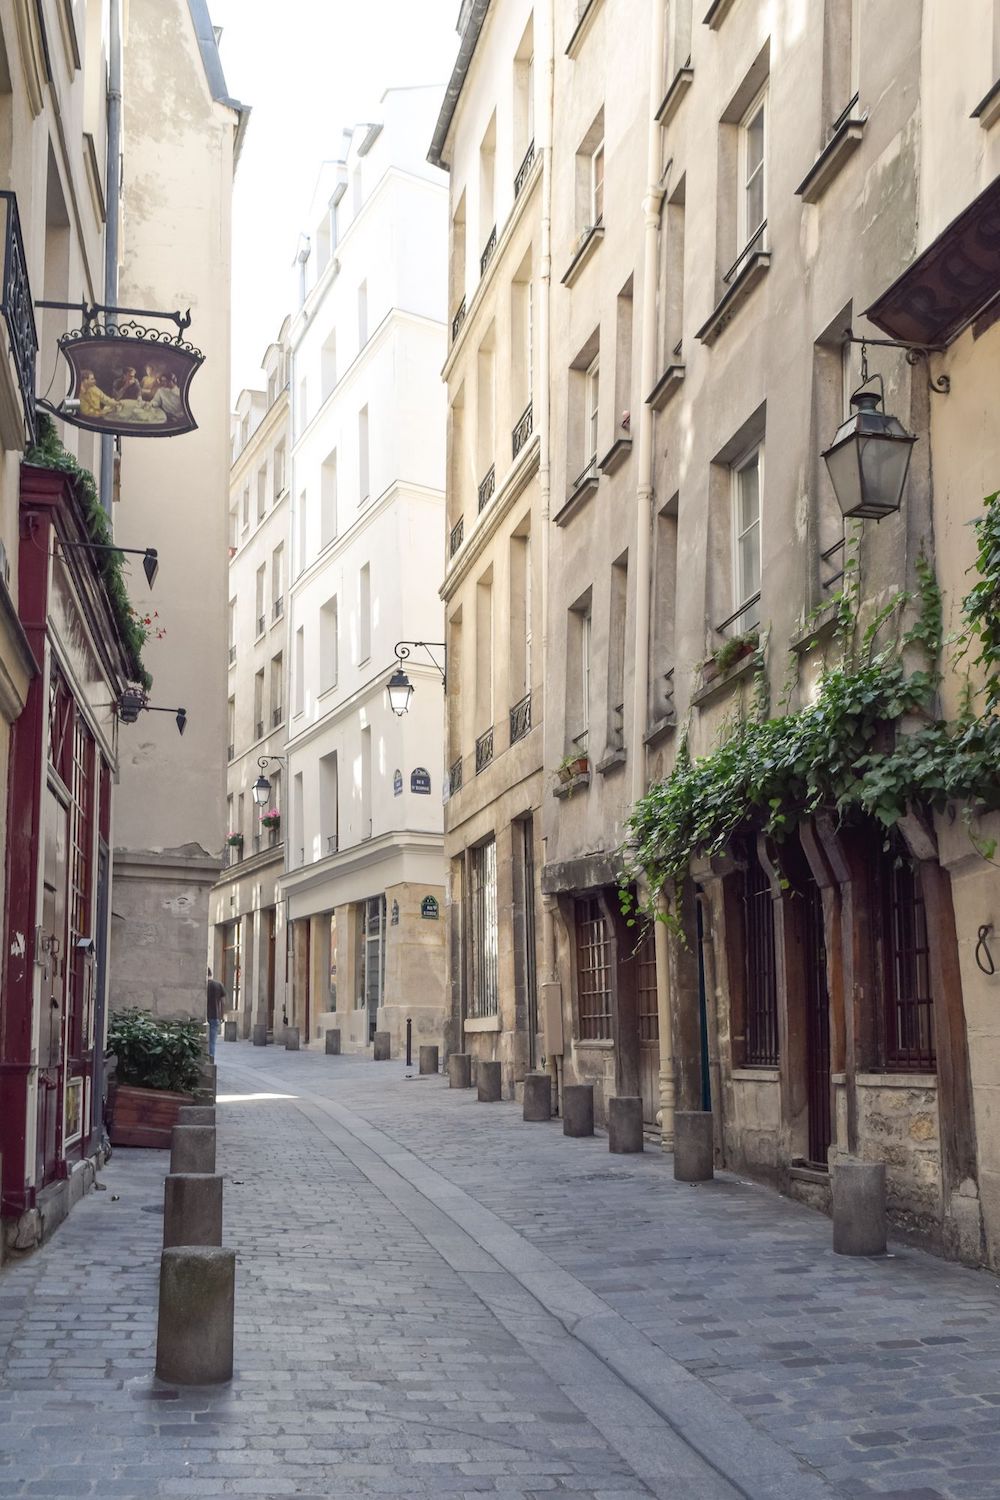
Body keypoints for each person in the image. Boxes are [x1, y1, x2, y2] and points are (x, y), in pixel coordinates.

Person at [206, 968, 225, 1060]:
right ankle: (211, 1058)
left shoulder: (203, 985)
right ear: (211, 973)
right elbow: (222, 1001)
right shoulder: (218, 985)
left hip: (205, 1016)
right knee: (212, 1041)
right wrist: (222, 1015)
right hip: (215, 1015)